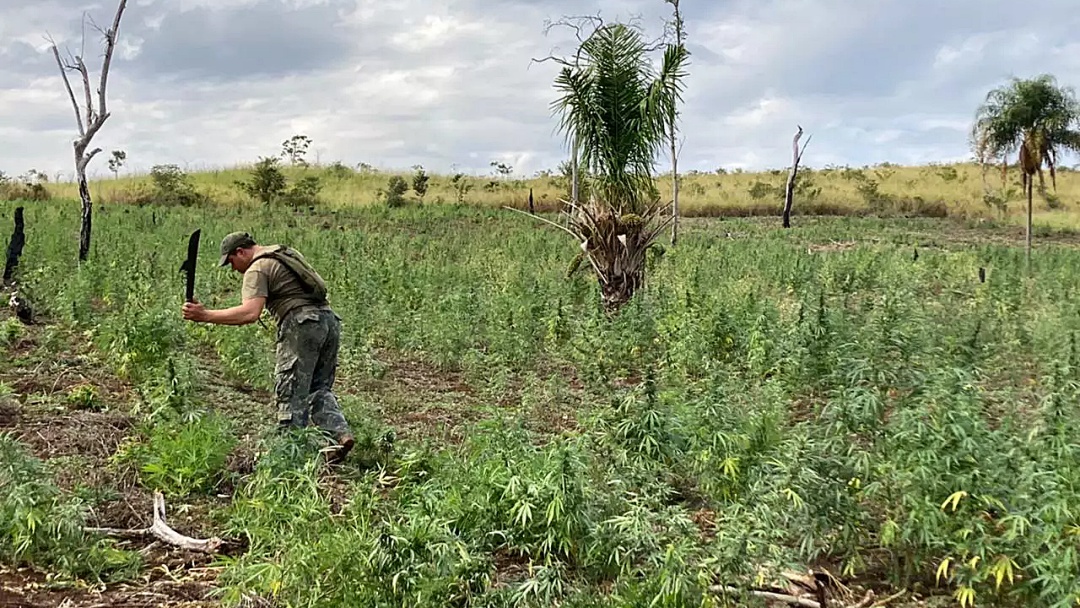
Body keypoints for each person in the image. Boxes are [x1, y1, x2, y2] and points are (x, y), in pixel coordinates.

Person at [181, 231, 355, 463]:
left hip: (301, 325)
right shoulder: (284, 253)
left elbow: (249, 313)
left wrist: (205, 315)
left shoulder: (258, 268)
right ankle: (339, 435)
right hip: (328, 321)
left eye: (231, 262)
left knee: (291, 390)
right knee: (318, 388)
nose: (233, 269)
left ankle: (289, 458)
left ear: (240, 252)